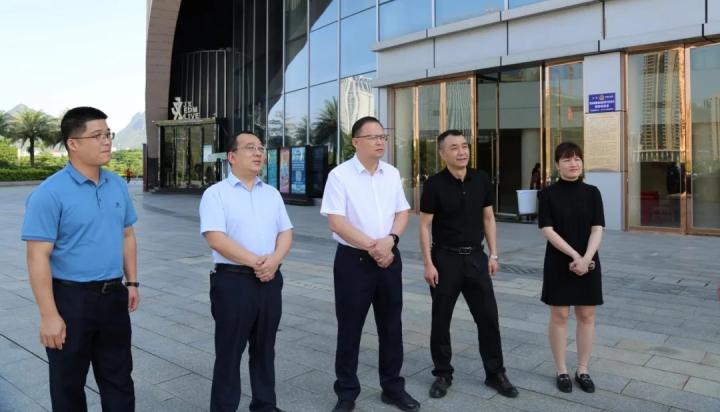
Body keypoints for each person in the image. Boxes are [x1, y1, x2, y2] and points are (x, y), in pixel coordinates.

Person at [21, 106, 139, 412]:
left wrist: (132, 282)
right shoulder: (49, 193)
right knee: (68, 385)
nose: (107, 141)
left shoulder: (117, 184)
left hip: (113, 297)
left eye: (108, 134)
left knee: (119, 380)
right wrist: (49, 314)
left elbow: (127, 235)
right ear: (73, 143)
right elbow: (37, 256)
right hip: (71, 300)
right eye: (97, 135)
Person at [321, 116, 419, 412]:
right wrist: (374, 247)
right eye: (373, 137)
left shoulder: (391, 173)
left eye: (382, 137)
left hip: (389, 257)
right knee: (350, 328)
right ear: (356, 142)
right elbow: (337, 223)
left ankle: (393, 387)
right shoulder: (339, 175)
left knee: (391, 327)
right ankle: (346, 393)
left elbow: (402, 212)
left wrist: (391, 240)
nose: (380, 141)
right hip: (354, 262)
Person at [419, 129, 519, 400]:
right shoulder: (434, 185)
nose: (462, 151)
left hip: (476, 258)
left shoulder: (481, 179)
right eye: (454, 147)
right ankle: (443, 373)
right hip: (445, 259)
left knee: (488, 318)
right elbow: (425, 226)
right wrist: (428, 263)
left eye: (465, 146)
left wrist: (494, 255)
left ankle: (495, 373)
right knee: (441, 320)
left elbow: (488, 218)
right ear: (442, 154)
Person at [199, 131, 292, 412]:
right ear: (232, 156)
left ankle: (265, 405)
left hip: (270, 281)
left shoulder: (272, 193)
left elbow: (286, 232)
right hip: (233, 282)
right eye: (250, 148)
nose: (258, 153)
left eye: (261, 148)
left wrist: (274, 261)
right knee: (229, 352)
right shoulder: (216, 194)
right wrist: (257, 262)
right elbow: (216, 238)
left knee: (265, 350)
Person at [538, 142, 604, 394]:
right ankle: (562, 370)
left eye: (577, 159)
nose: (573, 163)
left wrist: (586, 258)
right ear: (557, 165)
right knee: (560, 315)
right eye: (566, 160)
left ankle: (583, 370)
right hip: (558, 261)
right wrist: (575, 255)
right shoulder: (547, 194)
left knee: (587, 315)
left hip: (589, 261)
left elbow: (597, 228)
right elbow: (547, 230)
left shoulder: (593, 192)